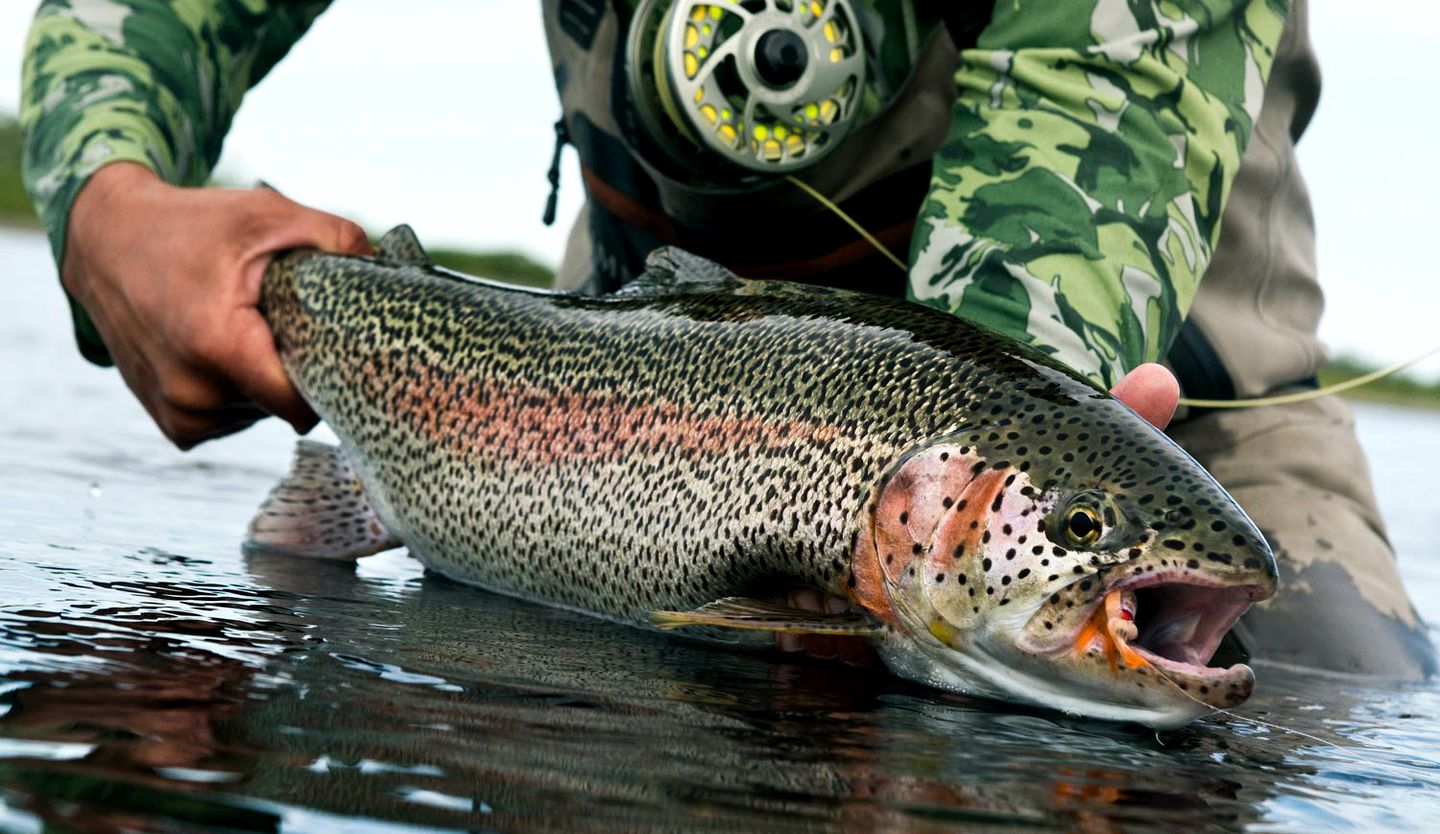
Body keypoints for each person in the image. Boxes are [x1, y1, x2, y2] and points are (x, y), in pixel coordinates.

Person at [19, 0, 1433, 677]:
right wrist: (106, 202)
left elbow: (990, 398)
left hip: (1158, 425)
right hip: (602, 380)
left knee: (1293, 729)